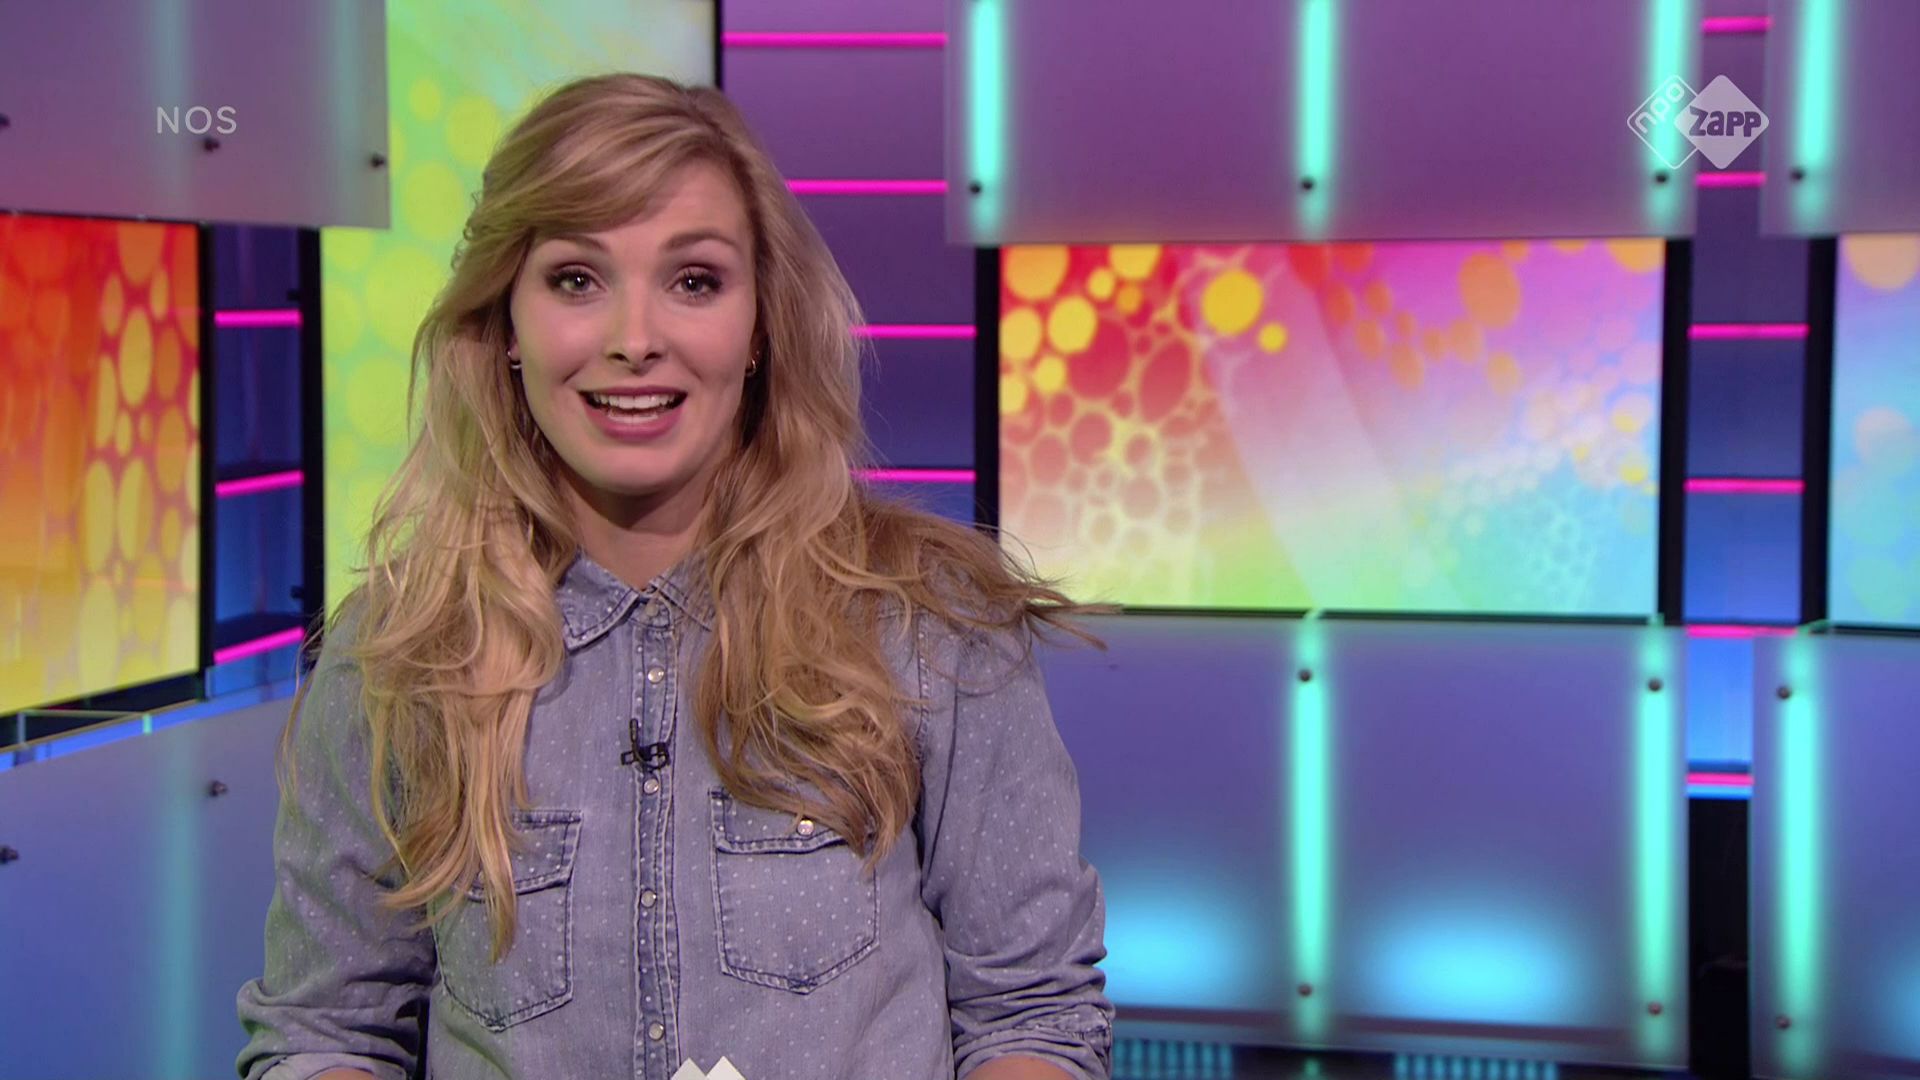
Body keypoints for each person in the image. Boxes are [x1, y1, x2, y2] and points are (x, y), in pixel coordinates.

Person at [233, 72, 1113, 1080]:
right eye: (576, 280)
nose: (634, 341)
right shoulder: (399, 654)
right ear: (507, 326)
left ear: (761, 326)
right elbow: (326, 1031)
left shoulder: (928, 625)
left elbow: (1033, 1016)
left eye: (694, 281)